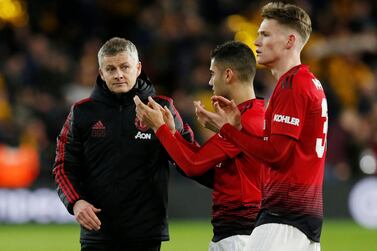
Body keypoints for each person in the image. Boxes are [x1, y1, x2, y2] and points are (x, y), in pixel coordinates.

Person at [195, 2, 327, 251]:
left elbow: (275, 153)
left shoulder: (292, 86)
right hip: (302, 215)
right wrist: (240, 129)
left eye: (265, 34)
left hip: (285, 217)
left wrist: (227, 131)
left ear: (289, 41)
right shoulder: (309, 82)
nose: (256, 41)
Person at [53, 37, 193, 251]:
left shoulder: (163, 108)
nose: (118, 74)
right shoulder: (82, 112)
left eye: (124, 67)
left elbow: (189, 162)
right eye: (110, 69)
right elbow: (63, 166)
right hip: (97, 233)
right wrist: (76, 202)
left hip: (146, 234)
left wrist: (171, 135)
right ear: (101, 73)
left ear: (137, 68)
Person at [134, 41, 265, 251]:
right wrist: (173, 134)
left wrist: (159, 128)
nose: (211, 81)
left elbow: (193, 164)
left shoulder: (244, 122)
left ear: (228, 75)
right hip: (237, 233)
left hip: (240, 237)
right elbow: (206, 167)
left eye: (213, 73)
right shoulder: (251, 115)